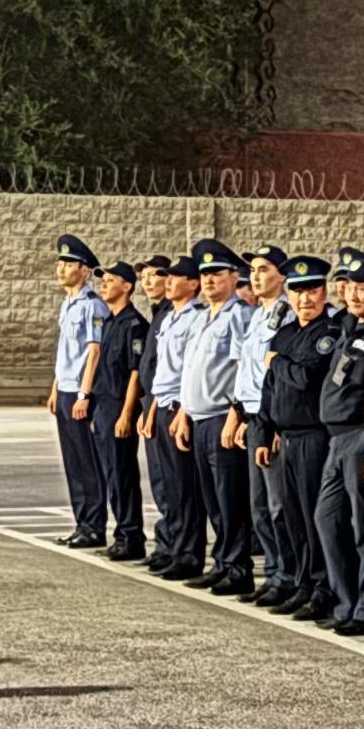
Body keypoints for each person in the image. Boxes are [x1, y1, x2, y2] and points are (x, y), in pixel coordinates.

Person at [256, 256, 336, 617]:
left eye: (313, 289)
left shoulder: (328, 335)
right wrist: (263, 432)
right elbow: (269, 391)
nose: (306, 298)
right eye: (298, 290)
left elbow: (306, 378)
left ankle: (322, 587)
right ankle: (303, 583)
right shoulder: (285, 335)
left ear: (324, 292)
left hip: (313, 438)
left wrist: (277, 362)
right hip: (284, 438)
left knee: (313, 515)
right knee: (292, 517)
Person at [312, 249, 364, 630]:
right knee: (327, 520)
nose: (353, 294)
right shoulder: (348, 326)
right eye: (349, 286)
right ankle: (347, 603)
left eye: (363, 287)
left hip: (361, 434)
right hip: (336, 438)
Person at [178, 243, 254, 595]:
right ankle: (222, 562)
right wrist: (183, 412)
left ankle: (237, 567)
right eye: (205, 274)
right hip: (198, 417)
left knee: (229, 498)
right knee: (212, 499)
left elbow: (243, 369)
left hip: (221, 417)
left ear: (234, 277)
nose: (209, 280)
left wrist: (235, 416)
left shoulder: (238, 316)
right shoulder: (201, 316)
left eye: (217, 274)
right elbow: (190, 370)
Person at [235, 241, 293, 602]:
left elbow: (276, 379)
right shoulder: (258, 314)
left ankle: (286, 575)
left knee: (277, 504)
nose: (256, 277)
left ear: (282, 276)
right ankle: (273, 573)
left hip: (271, 418)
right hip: (254, 416)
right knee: (258, 504)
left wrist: (271, 424)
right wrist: (241, 416)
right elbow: (247, 374)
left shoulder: (284, 316)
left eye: (264, 270)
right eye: (253, 271)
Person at [48, 236, 109, 550]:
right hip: (66, 389)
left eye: (69, 264)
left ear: (85, 270)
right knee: (72, 462)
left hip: (81, 394)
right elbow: (65, 351)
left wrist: (84, 395)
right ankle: (81, 523)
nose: (62, 268)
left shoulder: (93, 306)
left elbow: (94, 353)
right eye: (60, 263)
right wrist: (56, 388)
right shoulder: (68, 302)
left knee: (87, 462)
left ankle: (94, 526)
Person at [143, 257, 202, 577]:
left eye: (176, 277)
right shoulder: (168, 318)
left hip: (180, 408)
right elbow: (161, 375)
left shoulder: (196, 318)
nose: (168, 281)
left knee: (184, 486)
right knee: (168, 485)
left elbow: (189, 371)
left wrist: (183, 411)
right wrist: (151, 411)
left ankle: (188, 553)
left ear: (192, 284)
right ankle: (172, 547)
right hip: (162, 405)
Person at [90, 262, 151, 562]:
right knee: (111, 475)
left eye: (111, 280)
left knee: (122, 473)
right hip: (103, 404)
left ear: (127, 286)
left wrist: (128, 413)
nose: (104, 285)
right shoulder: (110, 321)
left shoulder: (133, 324)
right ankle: (122, 534)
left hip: (118, 404)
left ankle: (131, 536)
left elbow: (135, 373)